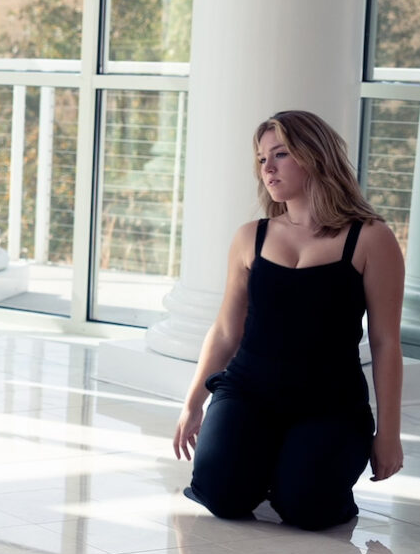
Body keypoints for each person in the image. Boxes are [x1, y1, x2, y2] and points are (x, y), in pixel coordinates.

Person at [173, 109, 407, 529]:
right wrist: (192, 404)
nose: (268, 168)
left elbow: (386, 343)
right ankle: (266, 466)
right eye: (262, 158)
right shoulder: (251, 236)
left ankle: (291, 470)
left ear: (315, 155)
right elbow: (226, 330)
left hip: (331, 403)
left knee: (308, 510)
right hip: (248, 392)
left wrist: (388, 434)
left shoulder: (371, 238)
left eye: (280, 154)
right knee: (221, 495)